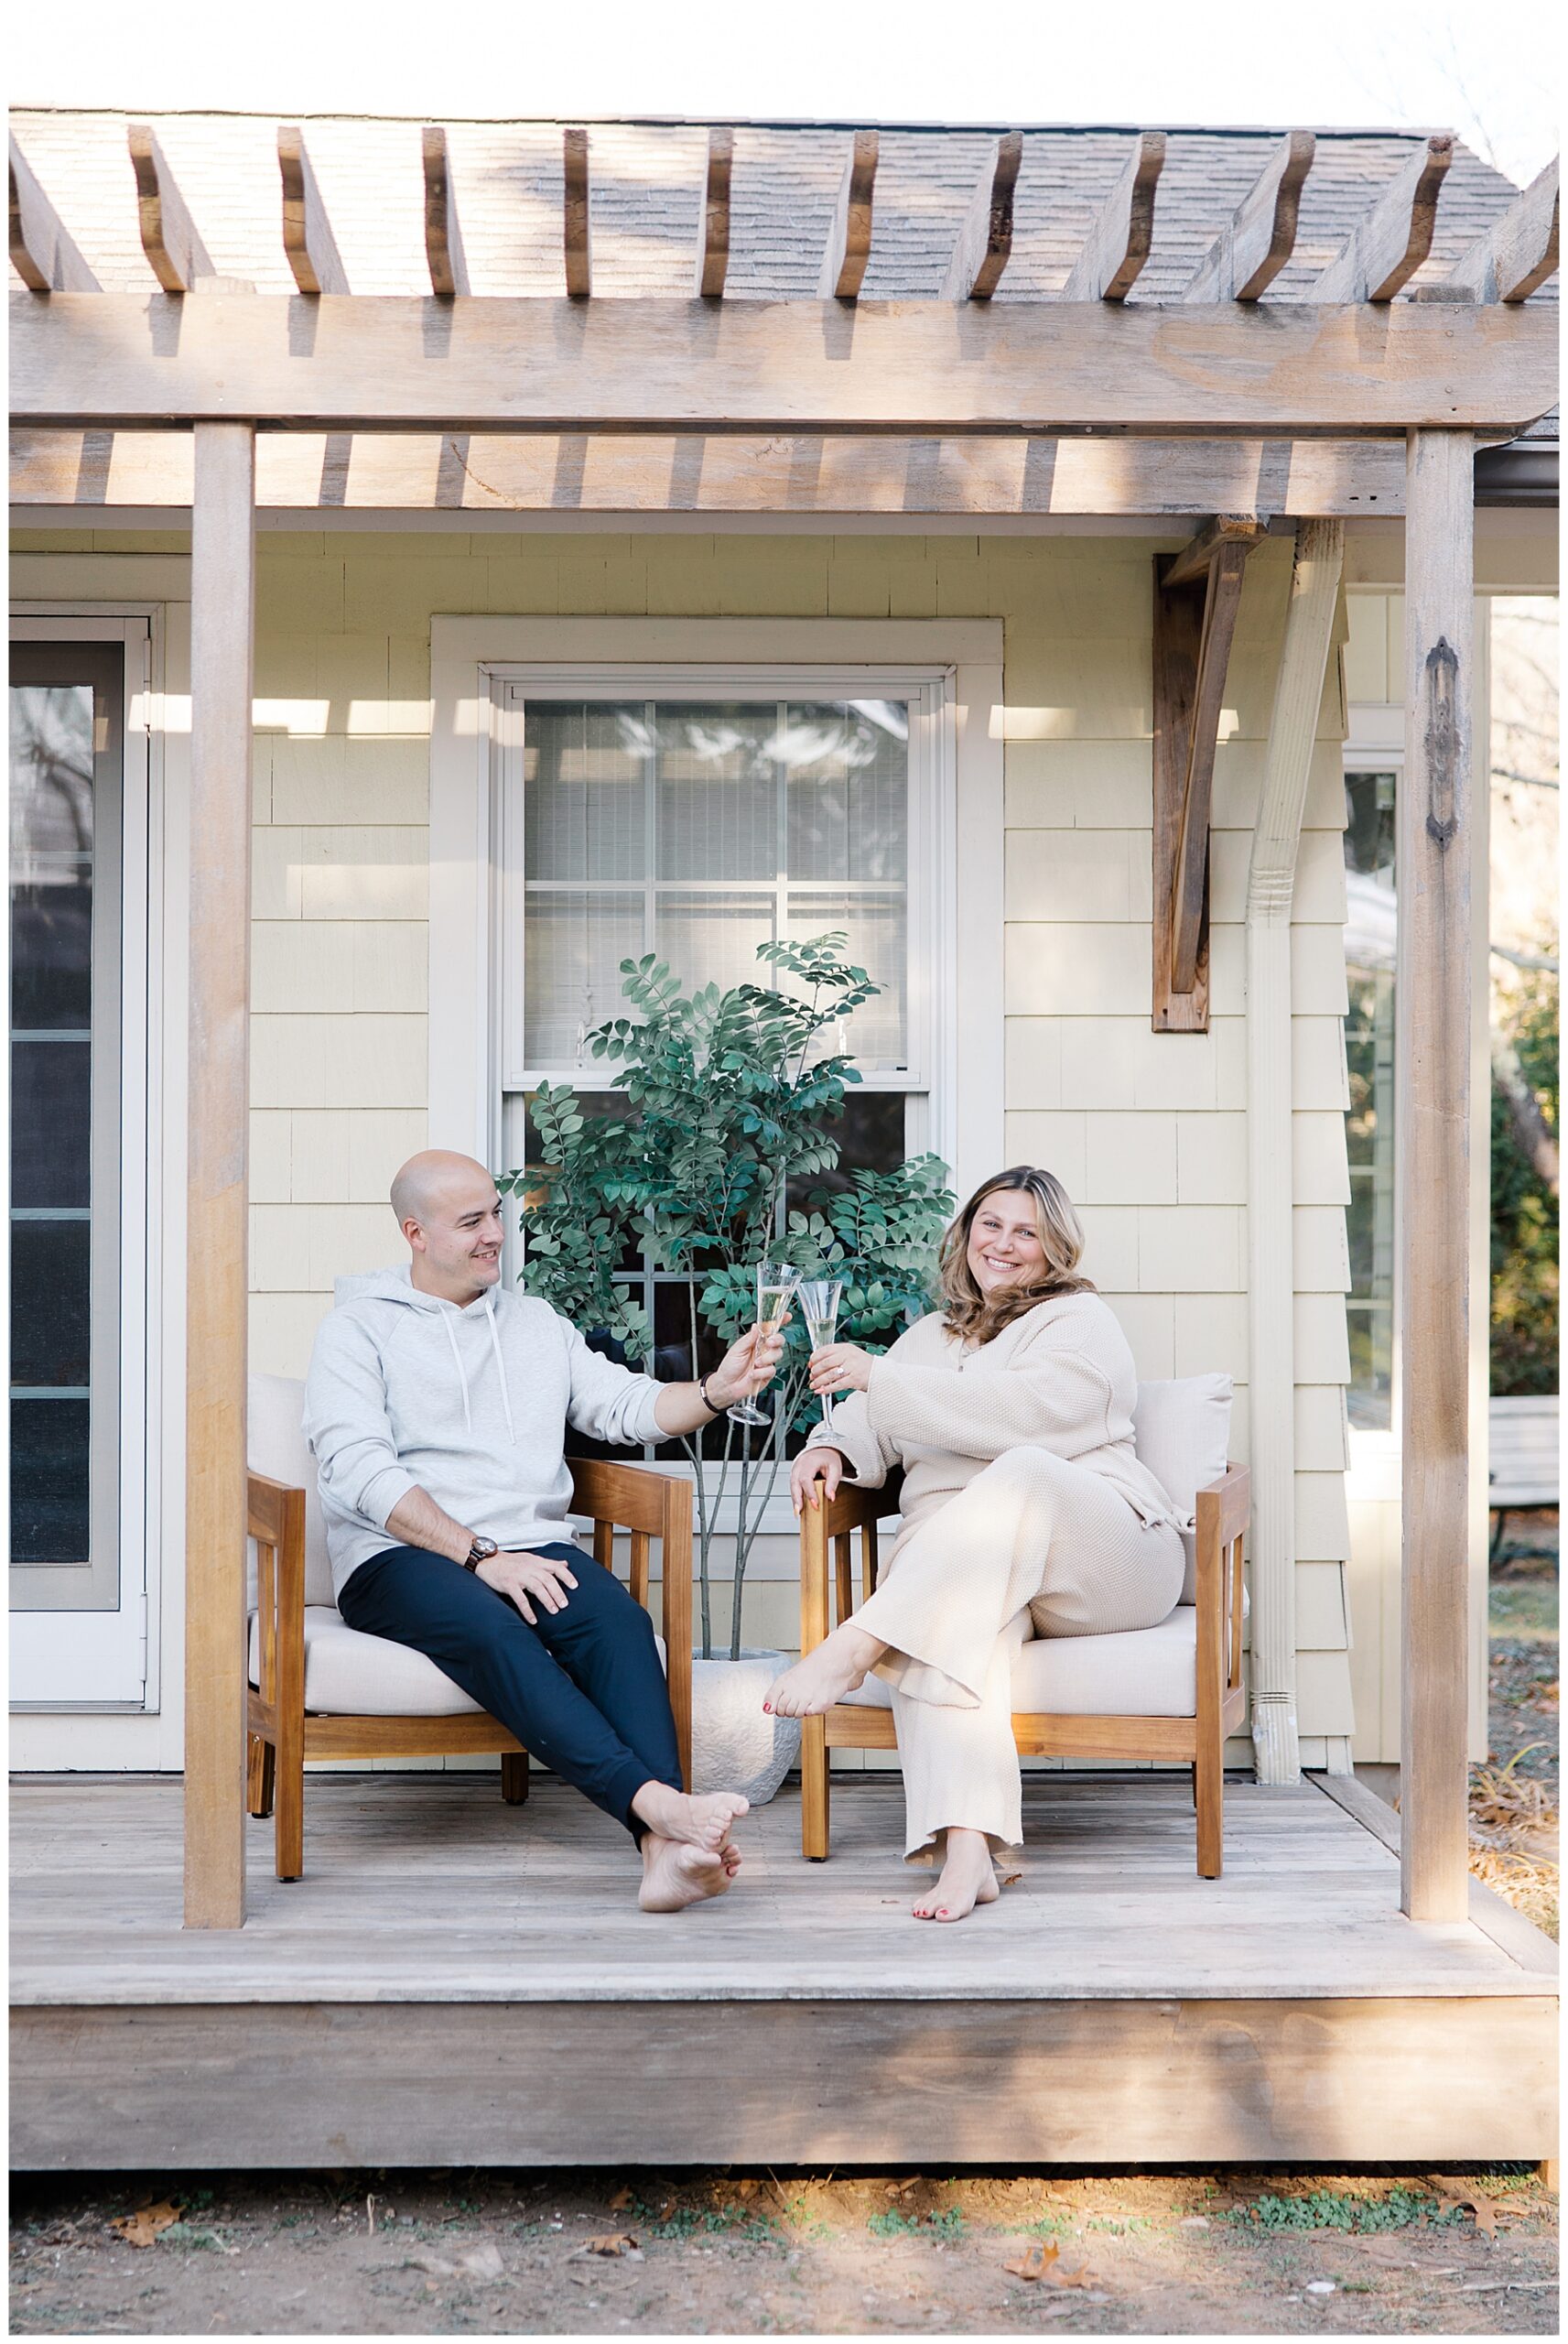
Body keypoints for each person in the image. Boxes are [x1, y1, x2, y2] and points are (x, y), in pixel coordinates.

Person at [304, 1149, 784, 1914]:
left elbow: (621, 1407)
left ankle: (664, 1854)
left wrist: (714, 1391)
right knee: (496, 1632)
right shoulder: (355, 1331)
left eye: (496, 1213)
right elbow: (358, 1471)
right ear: (415, 1233)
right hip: (397, 1557)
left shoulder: (533, 1324)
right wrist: (479, 1555)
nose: (495, 1234)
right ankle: (659, 1806)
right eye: (471, 1222)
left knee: (618, 1622)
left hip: (528, 1550)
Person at [764, 1167, 1188, 1925]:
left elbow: (1027, 1414)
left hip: (1109, 1555)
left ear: (1052, 1248)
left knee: (1021, 1471)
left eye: (1025, 1231)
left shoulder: (1076, 1320)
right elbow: (876, 1421)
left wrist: (880, 1378)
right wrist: (830, 1444)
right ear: (965, 1234)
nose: (1003, 1244)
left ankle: (857, 1642)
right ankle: (968, 1857)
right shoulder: (930, 1337)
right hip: (980, 1569)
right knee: (952, 1629)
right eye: (990, 1225)